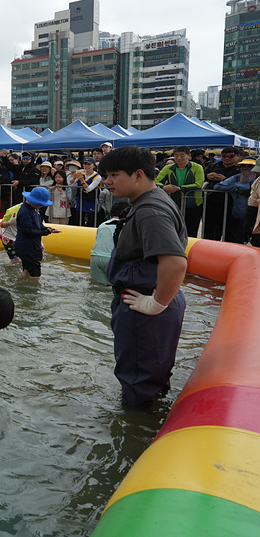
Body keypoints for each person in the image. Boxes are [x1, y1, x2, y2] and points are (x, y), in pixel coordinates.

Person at [100, 146, 188, 408]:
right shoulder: (151, 201)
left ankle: (136, 437)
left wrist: (156, 303)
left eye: (114, 175)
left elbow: (174, 263)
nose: (108, 182)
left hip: (145, 308)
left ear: (138, 175)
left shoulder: (150, 210)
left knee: (139, 384)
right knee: (151, 377)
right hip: (147, 302)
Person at [14, 186, 60, 279]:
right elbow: (28, 231)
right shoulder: (25, 212)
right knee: (35, 274)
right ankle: (33, 291)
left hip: (27, 247)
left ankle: (21, 285)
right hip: (28, 248)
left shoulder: (33, 209)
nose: (41, 206)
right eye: (40, 204)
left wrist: (47, 229)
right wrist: (46, 232)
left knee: (27, 270)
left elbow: (37, 224)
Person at [202, 147, 243, 241]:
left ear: (237, 157)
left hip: (231, 204)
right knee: (209, 229)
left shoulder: (240, 169)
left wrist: (225, 180)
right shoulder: (213, 166)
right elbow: (202, 177)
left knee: (230, 230)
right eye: (224, 156)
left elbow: (242, 184)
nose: (227, 158)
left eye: (230, 156)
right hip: (211, 202)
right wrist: (208, 176)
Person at [90, 202, 131, 284]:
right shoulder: (125, 226)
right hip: (112, 259)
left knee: (98, 286)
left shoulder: (102, 225)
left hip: (95, 257)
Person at [71, 157, 104, 227]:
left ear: (94, 165)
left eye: (89, 164)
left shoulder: (97, 177)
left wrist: (82, 180)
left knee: (91, 219)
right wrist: (74, 177)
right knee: (79, 219)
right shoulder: (81, 173)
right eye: (85, 164)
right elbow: (69, 183)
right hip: (80, 198)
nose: (86, 166)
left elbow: (89, 189)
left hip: (91, 199)